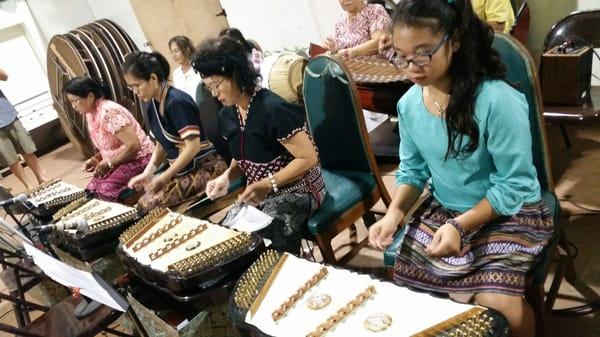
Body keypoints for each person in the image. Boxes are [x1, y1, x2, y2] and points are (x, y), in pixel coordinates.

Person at [367, 1, 553, 337]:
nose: (411, 67)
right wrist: (394, 213)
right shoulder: (409, 104)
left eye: (423, 54)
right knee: (411, 291)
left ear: (453, 41)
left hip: (509, 210)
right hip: (446, 209)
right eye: (401, 55)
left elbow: (513, 184)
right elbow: (412, 171)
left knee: (500, 305)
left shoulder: (497, 100)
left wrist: (460, 225)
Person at [193, 36, 326, 253]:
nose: (215, 94)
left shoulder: (272, 108)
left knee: (262, 245)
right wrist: (227, 177)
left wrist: (267, 184)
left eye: (217, 85)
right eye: (209, 88)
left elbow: (309, 158)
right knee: (226, 239)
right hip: (262, 193)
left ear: (236, 75)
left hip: (301, 189)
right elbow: (245, 152)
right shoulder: (229, 114)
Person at [123, 51, 227, 211]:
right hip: (182, 171)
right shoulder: (152, 105)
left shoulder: (177, 102)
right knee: (142, 206)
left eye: (137, 85)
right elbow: (161, 144)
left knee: (151, 206)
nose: (135, 92)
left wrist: (164, 177)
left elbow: (193, 147)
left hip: (207, 168)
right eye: (131, 87)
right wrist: (147, 173)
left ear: (153, 79)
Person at [63, 77, 154, 202]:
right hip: (121, 160)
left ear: (90, 96)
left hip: (140, 157)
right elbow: (112, 146)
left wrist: (109, 163)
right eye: (71, 102)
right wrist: (96, 158)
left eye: (75, 101)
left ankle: (133, 214)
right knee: (90, 191)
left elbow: (134, 146)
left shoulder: (109, 112)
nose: (73, 106)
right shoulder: (91, 114)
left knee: (104, 192)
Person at [0, 67, 47, 191]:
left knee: (27, 148)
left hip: (7, 113)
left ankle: (41, 178)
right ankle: (28, 186)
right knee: (9, 157)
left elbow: (4, 76)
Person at [323, 0, 392, 58]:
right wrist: (334, 48)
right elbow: (339, 53)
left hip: (378, 69)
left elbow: (380, 43)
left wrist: (349, 53)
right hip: (349, 71)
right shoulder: (340, 23)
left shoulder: (375, 11)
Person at [168, 35, 203, 102]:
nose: (174, 55)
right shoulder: (176, 73)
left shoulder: (199, 66)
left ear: (187, 49)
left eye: (176, 51)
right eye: (172, 52)